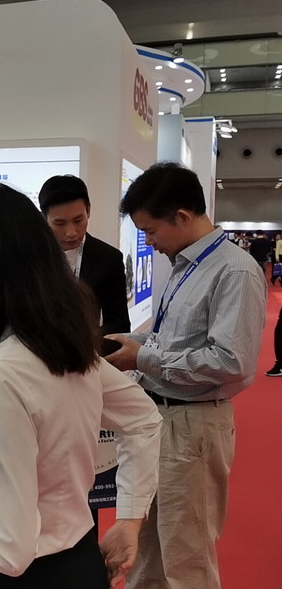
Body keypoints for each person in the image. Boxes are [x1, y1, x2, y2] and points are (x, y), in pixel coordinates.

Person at [0, 183, 163, 589]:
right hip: (80, 557)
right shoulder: (63, 347)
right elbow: (144, 418)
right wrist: (129, 519)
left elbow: (8, 548)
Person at [105, 162, 267, 589]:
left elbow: (231, 361)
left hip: (193, 424)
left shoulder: (234, 270)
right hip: (160, 418)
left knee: (186, 555)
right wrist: (130, 342)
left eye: (151, 230)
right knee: (146, 550)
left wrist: (143, 358)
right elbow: (172, 339)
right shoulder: (186, 265)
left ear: (181, 216)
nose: (149, 242)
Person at [38, 174, 131, 336]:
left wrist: (84, 340)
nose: (71, 232)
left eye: (78, 220)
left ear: (88, 210)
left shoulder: (109, 259)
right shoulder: (32, 256)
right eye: (60, 223)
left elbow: (119, 324)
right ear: (44, 218)